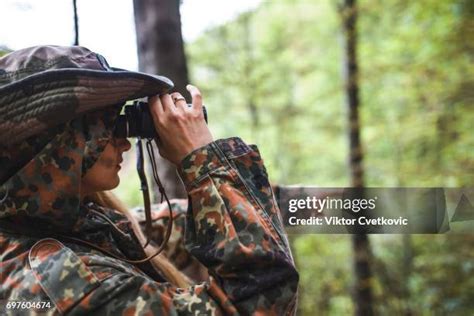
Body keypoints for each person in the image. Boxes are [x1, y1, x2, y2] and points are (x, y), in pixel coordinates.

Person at [0, 45, 299, 315]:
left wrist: (334, 207)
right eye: (108, 127)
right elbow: (260, 303)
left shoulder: (50, 226)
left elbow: (164, 224)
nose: (125, 143)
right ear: (61, 143)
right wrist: (201, 157)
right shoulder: (62, 286)